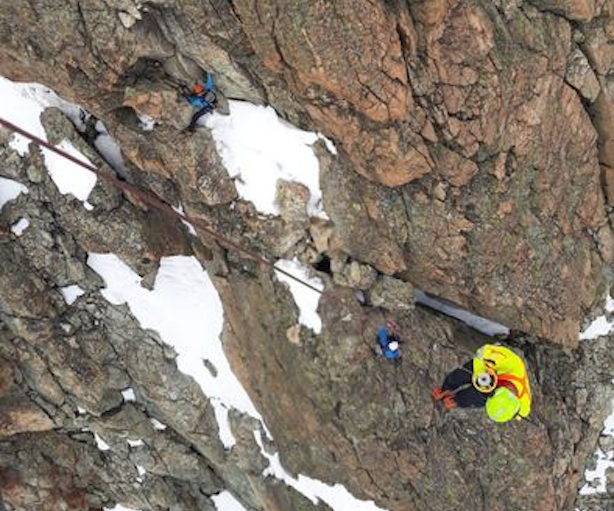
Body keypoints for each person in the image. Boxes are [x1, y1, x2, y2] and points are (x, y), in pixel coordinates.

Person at [431, 344, 531, 422]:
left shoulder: (521, 408)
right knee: (464, 374)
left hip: (493, 380)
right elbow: (482, 353)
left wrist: (458, 400)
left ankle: (454, 400)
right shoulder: (510, 363)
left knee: (479, 397)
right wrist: (483, 372)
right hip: (490, 365)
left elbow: (521, 413)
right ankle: (447, 389)